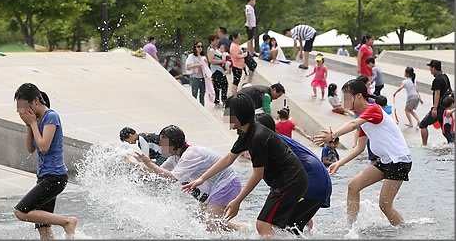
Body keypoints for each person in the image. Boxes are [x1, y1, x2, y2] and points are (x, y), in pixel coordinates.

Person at [182, 93, 309, 238]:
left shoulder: (258, 137)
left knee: (262, 225)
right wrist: (201, 179)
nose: (225, 116)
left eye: (227, 112)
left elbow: (257, 175)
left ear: (237, 115)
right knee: (270, 226)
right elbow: (228, 159)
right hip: (286, 183)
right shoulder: (246, 133)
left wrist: (237, 201)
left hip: (290, 183)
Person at [313, 78, 412, 227]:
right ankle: (351, 228)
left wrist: (333, 135)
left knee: (385, 205)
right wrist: (339, 163)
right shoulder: (364, 119)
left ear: (358, 96)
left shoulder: (373, 109)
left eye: (347, 97)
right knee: (353, 185)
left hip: (399, 160)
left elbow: (353, 124)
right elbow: (359, 148)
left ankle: (405, 230)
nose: (344, 101)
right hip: (386, 161)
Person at [124, 125, 243, 231]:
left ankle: (243, 231)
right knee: (198, 219)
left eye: (163, 144)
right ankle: (244, 230)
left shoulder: (190, 154)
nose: (160, 146)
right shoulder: (175, 157)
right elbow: (158, 173)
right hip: (214, 188)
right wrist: (135, 163)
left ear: (174, 145)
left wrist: (149, 163)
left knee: (211, 224)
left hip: (227, 184)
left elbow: (172, 177)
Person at [13, 83, 77, 239]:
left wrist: (33, 123)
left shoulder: (51, 116)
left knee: (21, 212)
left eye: (24, 106)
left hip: (55, 177)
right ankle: (64, 225)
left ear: (35, 101)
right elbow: (30, 148)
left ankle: (67, 222)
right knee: (44, 229)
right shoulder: (37, 120)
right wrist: (29, 124)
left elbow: (43, 147)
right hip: (44, 177)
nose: (21, 111)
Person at [255, 113, 332, 235]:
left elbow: (276, 182)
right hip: (321, 184)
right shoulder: (278, 139)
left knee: (268, 225)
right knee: (292, 230)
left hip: (310, 183)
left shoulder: (269, 145)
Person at [420, 60, 453, 146]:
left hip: (440, 108)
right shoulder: (445, 76)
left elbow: (437, 94)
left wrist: (435, 108)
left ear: (434, 68)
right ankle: (451, 143)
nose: (430, 70)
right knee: (446, 130)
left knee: (423, 124)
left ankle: (424, 145)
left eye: (430, 68)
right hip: (446, 107)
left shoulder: (437, 80)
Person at [207, 35, 229, 105]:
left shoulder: (216, 49)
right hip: (216, 70)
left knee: (223, 84)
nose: (217, 42)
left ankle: (221, 99)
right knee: (220, 85)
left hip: (220, 69)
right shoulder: (211, 50)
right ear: (211, 41)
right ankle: (219, 100)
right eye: (215, 40)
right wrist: (221, 61)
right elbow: (210, 60)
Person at [186, 41, 207, 106]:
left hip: (203, 77)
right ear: (195, 47)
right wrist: (196, 65)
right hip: (195, 77)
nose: (200, 48)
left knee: (202, 96)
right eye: (198, 46)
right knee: (194, 94)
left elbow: (207, 68)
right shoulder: (191, 56)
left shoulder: (203, 57)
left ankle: (202, 108)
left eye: (201, 46)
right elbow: (188, 67)